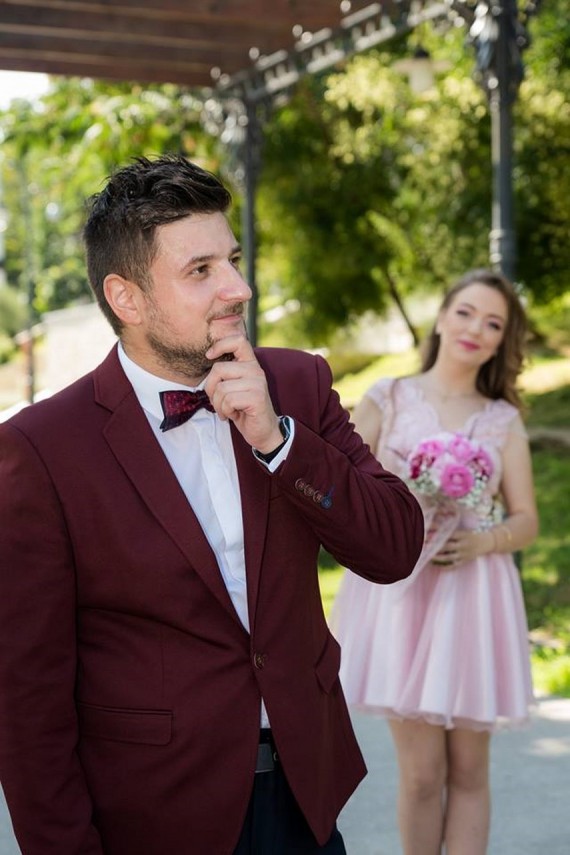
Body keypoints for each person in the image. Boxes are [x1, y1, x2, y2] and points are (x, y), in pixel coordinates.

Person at [0, 153, 424, 855]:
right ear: (126, 298)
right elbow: (28, 700)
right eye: (200, 270)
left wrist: (280, 443)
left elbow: (395, 547)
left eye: (232, 260)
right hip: (154, 816)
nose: (238, 287)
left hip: (306, 798)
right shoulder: (41, 449)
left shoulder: (298, 383)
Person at [330, 269, 538, 855]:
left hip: (474, 592)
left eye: (493, 323)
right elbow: (345, 489)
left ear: (501, 342)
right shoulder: (388, 397)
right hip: (403, 592)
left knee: (470, 771)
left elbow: (526, 518)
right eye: (466, 312)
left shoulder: (502, 420)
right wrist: (403, 503)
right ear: (443, 316)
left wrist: (483, 542)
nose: (476, 329)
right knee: (422, 774)